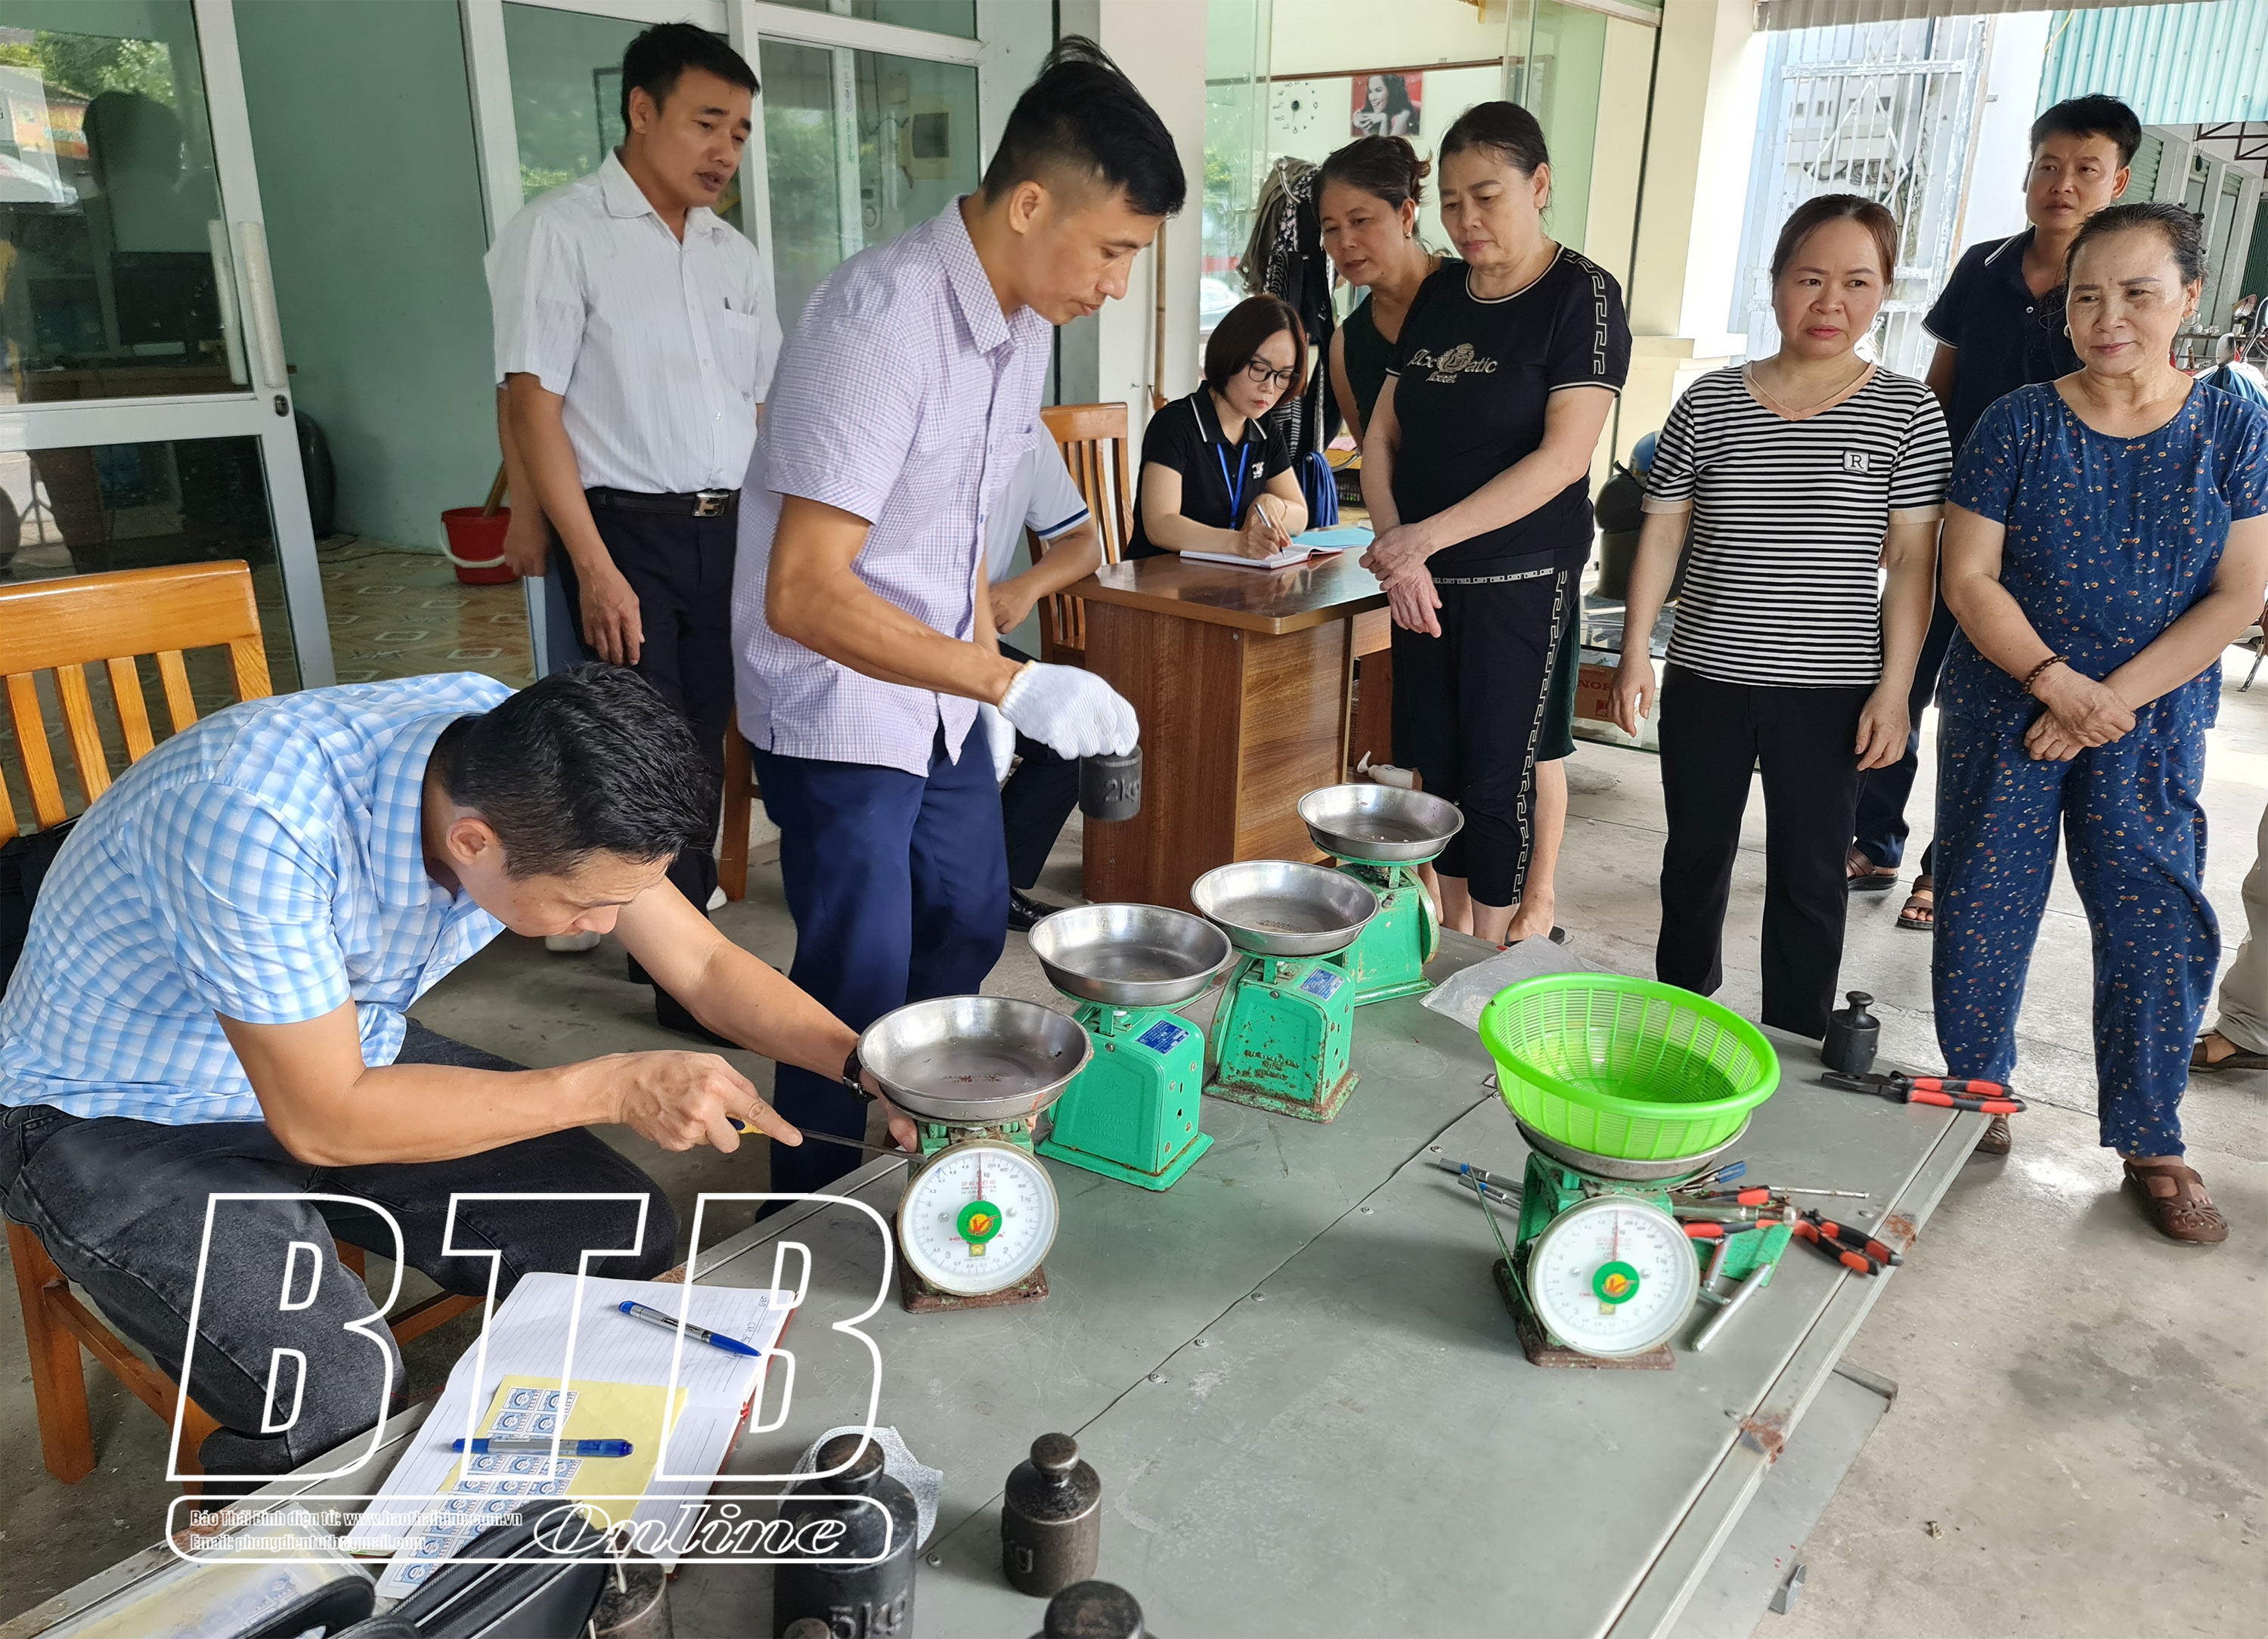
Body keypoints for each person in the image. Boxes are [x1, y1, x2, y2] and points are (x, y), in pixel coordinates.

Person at [0, 667, 902, 1479]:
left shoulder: (516, 753)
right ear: (473, 841)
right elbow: (325, 1120)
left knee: (617, 1233)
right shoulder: (250, 814)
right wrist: (610, 1084)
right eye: (589, 904)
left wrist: (869, 1066)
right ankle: (290, 1571)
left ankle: (518, 1479)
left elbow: (701, 964)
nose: (607, 926)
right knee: (330, 1397)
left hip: (337, 1049)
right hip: (110, 1109)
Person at [733, 38, 1178, 1199]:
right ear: (1031, 204)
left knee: (974, 915)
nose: (1116, 284)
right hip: (836, 697)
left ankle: (915, 1132)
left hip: (938, 688)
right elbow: (803, 590)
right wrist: (1013, 684)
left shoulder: (1023, 325)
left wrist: (983, 668)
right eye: (1115, 250)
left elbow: (957, 528)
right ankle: (812, 1200)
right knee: (858, 963)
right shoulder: (877, 323)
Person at [1934, 201, 2268, 1235]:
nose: (2108, 316)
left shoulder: (2233, 425)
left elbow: (2240, 592)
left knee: (2155, 919)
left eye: (2136, 292)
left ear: (2189, 298)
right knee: (1985, 903)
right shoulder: (2018, 422)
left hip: (2147, 720)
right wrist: (2054, 681)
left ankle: (2151, 1135)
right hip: (2008, 700)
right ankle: (1978, 1093)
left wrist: (2104, 700)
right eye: (2086, 296)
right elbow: (1968, 576)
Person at [487, 23, 781, 1029]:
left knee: (700, 740)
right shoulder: (561, 231)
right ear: (641, 111)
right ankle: (681, 984)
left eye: (740, 133)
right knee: (640, 752)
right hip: (623, 532)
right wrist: (591, 563)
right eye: (707, 123)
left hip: (726, 530)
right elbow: (532, 405)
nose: (725, 150)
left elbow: (758, 408)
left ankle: (670, 940)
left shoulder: (735, 255)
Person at [1610, 196, 1950, 1037]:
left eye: (1857, 282)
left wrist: (1896, 691)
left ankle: (1795, 1043)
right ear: (1775, 283)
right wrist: (1634, 651)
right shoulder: (1708, 401)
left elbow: (1914, 563)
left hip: (1831, 690)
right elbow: (1663, 531)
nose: (1830, 302)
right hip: (1707, 676)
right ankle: (1681, 1020)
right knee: (1694, 862)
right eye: (1809, 278)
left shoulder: (1909, 411)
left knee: (1810, 876)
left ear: (1884, 292)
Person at [1849, 94, 2139, 932]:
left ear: (2117, 182)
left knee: (1993, 705)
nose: (2063, 184)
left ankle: (1944, 867)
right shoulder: (1984, 266)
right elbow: (1940, 386)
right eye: (2049, 165)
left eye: (2086, 169)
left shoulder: (2108, 288)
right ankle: (1876, 839)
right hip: (1953, 516)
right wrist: (1905, 503)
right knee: (1902, 671)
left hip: (2047, 539)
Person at [1360, 101, 1629, 947]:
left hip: (1521, 575)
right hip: (1424, 583)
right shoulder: (1440, 294)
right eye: (1451, 202)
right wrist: (1402, 554)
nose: (1467, 219)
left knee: (1498, 779)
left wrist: (1421, 539)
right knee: (1434, 772)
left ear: (1539, 184)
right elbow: (1382, 435)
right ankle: (1454, 942)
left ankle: (1493, 953)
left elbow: (1564, 457)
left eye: (1487, 196)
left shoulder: (1581, 295)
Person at [982, 440, 1103, 930]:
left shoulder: (1026, 433)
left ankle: (991, 886)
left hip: (975, 637)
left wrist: (1024, 587)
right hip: (883, 638)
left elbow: (1084, 541)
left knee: (1073, 729)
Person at [1129, 295, 1310, 559]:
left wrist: (1273, 504)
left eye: (1283, 376)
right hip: (1162, 577)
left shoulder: (1264, 429)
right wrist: (1238, 543)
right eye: (1259, 369)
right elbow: (1160, 525)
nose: (1269, 387)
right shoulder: (1175, 424)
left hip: (1229, 577)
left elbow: (1300, 516)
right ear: (1230, 356)